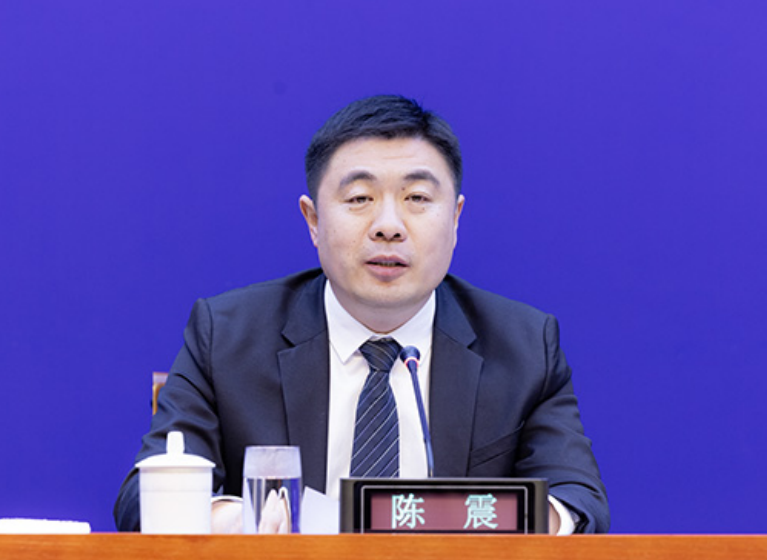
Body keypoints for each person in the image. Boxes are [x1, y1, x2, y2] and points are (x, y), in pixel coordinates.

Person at [114, 94, 610, 533]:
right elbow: (142, 499)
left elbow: (579, 502)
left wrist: (494, 517)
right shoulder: (227, 337)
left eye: (417, 198)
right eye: (359, 199)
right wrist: (245, 522)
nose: (388, 226)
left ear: (456, 218)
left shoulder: (524, 346)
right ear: (313, 220)